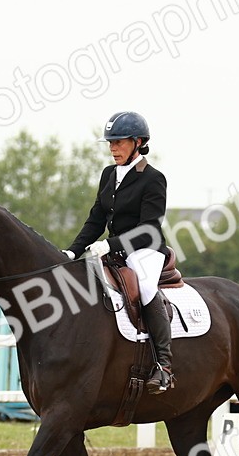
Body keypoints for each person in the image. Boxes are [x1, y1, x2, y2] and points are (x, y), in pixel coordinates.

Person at [64, 111, 175, 394]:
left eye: (119, 142)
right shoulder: (108, 174)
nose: (113, 148)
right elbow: (96, 219)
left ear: (138, 142)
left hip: (145, 250)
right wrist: (71, 252)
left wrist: (111, 245)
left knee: (146, 288)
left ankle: (164, 366)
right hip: (114, 252)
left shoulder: (153, 178)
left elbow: (149, 228)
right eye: (110, 143)